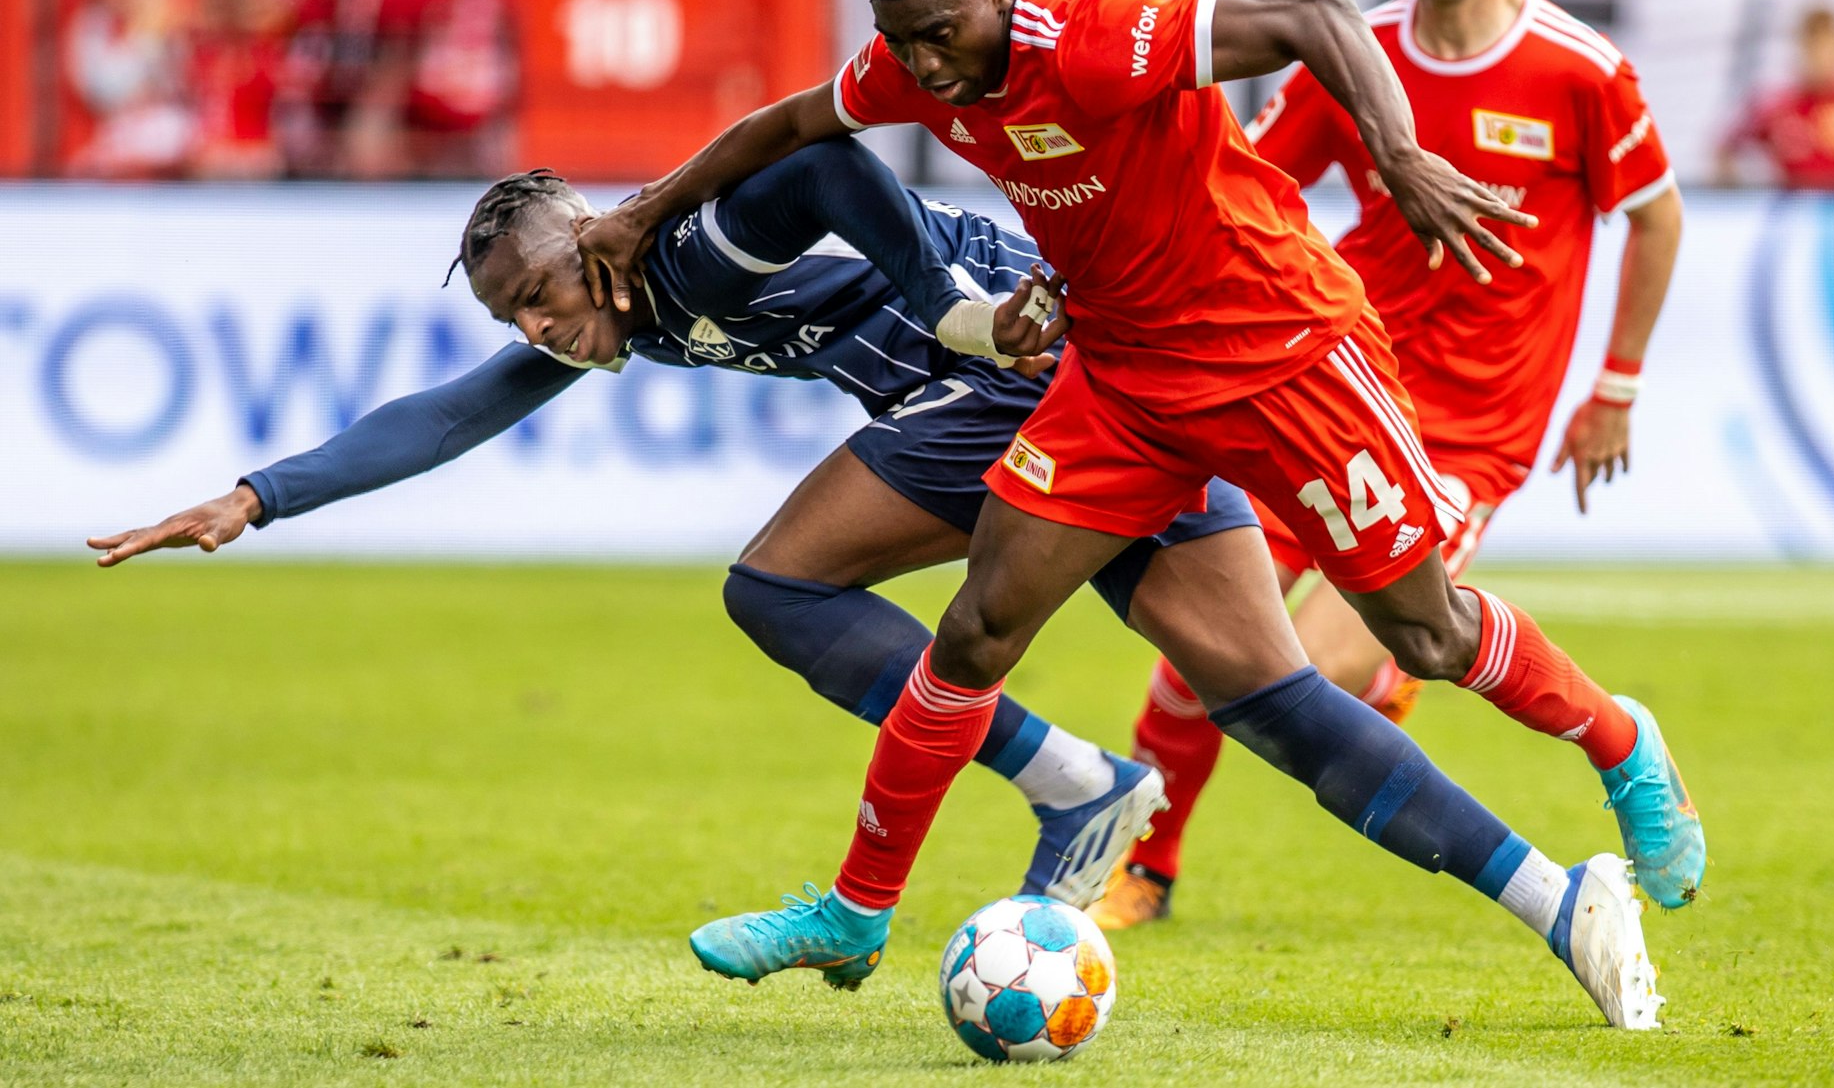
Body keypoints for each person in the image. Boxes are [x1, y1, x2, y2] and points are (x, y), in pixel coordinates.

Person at [577, 0, 1683, 1028]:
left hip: (1284, 356)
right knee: (976, 627)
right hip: (1120, 383)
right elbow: (793, 124)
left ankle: (1615, 751)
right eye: (903, 42)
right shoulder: (912, 60)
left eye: (944, 34)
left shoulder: (1100, 38)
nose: (930, 68)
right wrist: (641, 212)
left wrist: (1394, 156)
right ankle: (854, 912)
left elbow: (1319, 19)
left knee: (1424, 632)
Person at [89, 136, 1279, 908]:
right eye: (516, 317)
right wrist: (257, 497)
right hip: (1032, 394)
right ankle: (1106, 788)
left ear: (593, 235)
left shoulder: (690, 246)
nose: (536, 331)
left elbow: (826, 163)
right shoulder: (618, 304)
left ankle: (1070, 780)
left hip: (1017, 375)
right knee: (1269, 691)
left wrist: (945, 309)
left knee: (777, 584)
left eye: (542, 296)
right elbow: (452, 415)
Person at [1091, 0, 1691, 933]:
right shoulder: (1345, 57)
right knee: (1201, 641)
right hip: (1321, 387)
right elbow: (1243, 189)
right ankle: (1148, 865)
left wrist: (1615, 386)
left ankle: (1615, 736)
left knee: (1299, 671)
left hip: (1468, 431)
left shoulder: (1579, 72)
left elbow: (1654, 217)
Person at [1717, 7, 1834, 191]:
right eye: (1816, 48)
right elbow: (1726, 147)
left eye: (1832, 48)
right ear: (1802, 47)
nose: (1824, 59)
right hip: (1792, 205)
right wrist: (1735, 192)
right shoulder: (1773, 102)